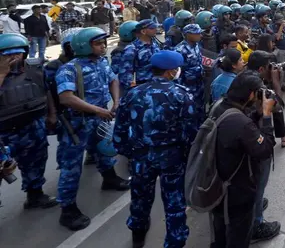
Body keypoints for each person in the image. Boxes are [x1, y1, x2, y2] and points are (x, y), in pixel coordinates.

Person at [114, 51, 196, 248]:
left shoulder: (133, 93)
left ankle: (138, 238)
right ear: (171, 72)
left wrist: (129, 153)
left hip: (141, 157)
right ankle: (174, 242)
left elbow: (120, 131)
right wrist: (186, 158)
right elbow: (190, 134)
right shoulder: (181, 95)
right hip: (172, 158)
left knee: (140, 199)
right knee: (174, 204)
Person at [55, 27, 129, 230]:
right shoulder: (69, 69)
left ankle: (109, 178)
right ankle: (67, 209)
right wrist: (97, 110)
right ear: (83, 46)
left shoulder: (102, 62)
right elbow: (66, 97)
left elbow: (113, 79)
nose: (103, 46)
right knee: (72, 166)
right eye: (98, 43)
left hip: (100, 117)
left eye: (103, 42)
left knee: (104, 152)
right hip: (78, 123)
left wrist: (115, 101)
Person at [208, 72, 277, 248]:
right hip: (237, 193)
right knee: (238, 237)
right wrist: (267, 115)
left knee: (220, 234)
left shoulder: (219, 107)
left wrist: (257, 113)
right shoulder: (241, 123)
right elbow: (265, 149)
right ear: (251, 94)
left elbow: (237, 129)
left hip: (216, 185)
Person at [0, 33, 57, 210]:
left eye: (17, 53)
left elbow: (46, 91)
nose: (14, 58)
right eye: (7, 54)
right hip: (3, 133)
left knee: (36, 161)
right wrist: (2, 73)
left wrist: (51, 114)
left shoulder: (35, 69)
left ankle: (35, 195)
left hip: (32, 125)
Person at [245, 52, 285, 241]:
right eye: (270, 66)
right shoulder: (259, 88)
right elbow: (279, 106)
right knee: (259, 183)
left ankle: (255, 207)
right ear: (262, 69)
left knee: (251, 185)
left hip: (244, 141)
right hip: (258, 142)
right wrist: (276, 81)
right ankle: (256, 226)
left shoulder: (243, 78)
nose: (273, 68)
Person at [174, 24, 205, 126]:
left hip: (199, 85)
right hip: (187, 86)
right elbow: (177, 72)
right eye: (197, 33)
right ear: (188, 34)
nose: (200, 35)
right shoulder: (179, 50)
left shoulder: (197, 46)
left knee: (200, 109)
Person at [119, 20, 161, 94]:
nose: (156, 29)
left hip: (156, 84)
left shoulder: (154, 44)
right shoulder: (132, 48)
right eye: (152, 28)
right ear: (143, 31)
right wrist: (132, 90)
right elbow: (126, 72)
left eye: (156, 27)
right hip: (142, 86)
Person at [273, 13, 285, 91]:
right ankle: (279, 85)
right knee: (280, 69)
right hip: (280, 49)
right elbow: (277, 38)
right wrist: (281, 26)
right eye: (281, 20)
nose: (283, 21)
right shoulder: (275, 27)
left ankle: (284, 84)